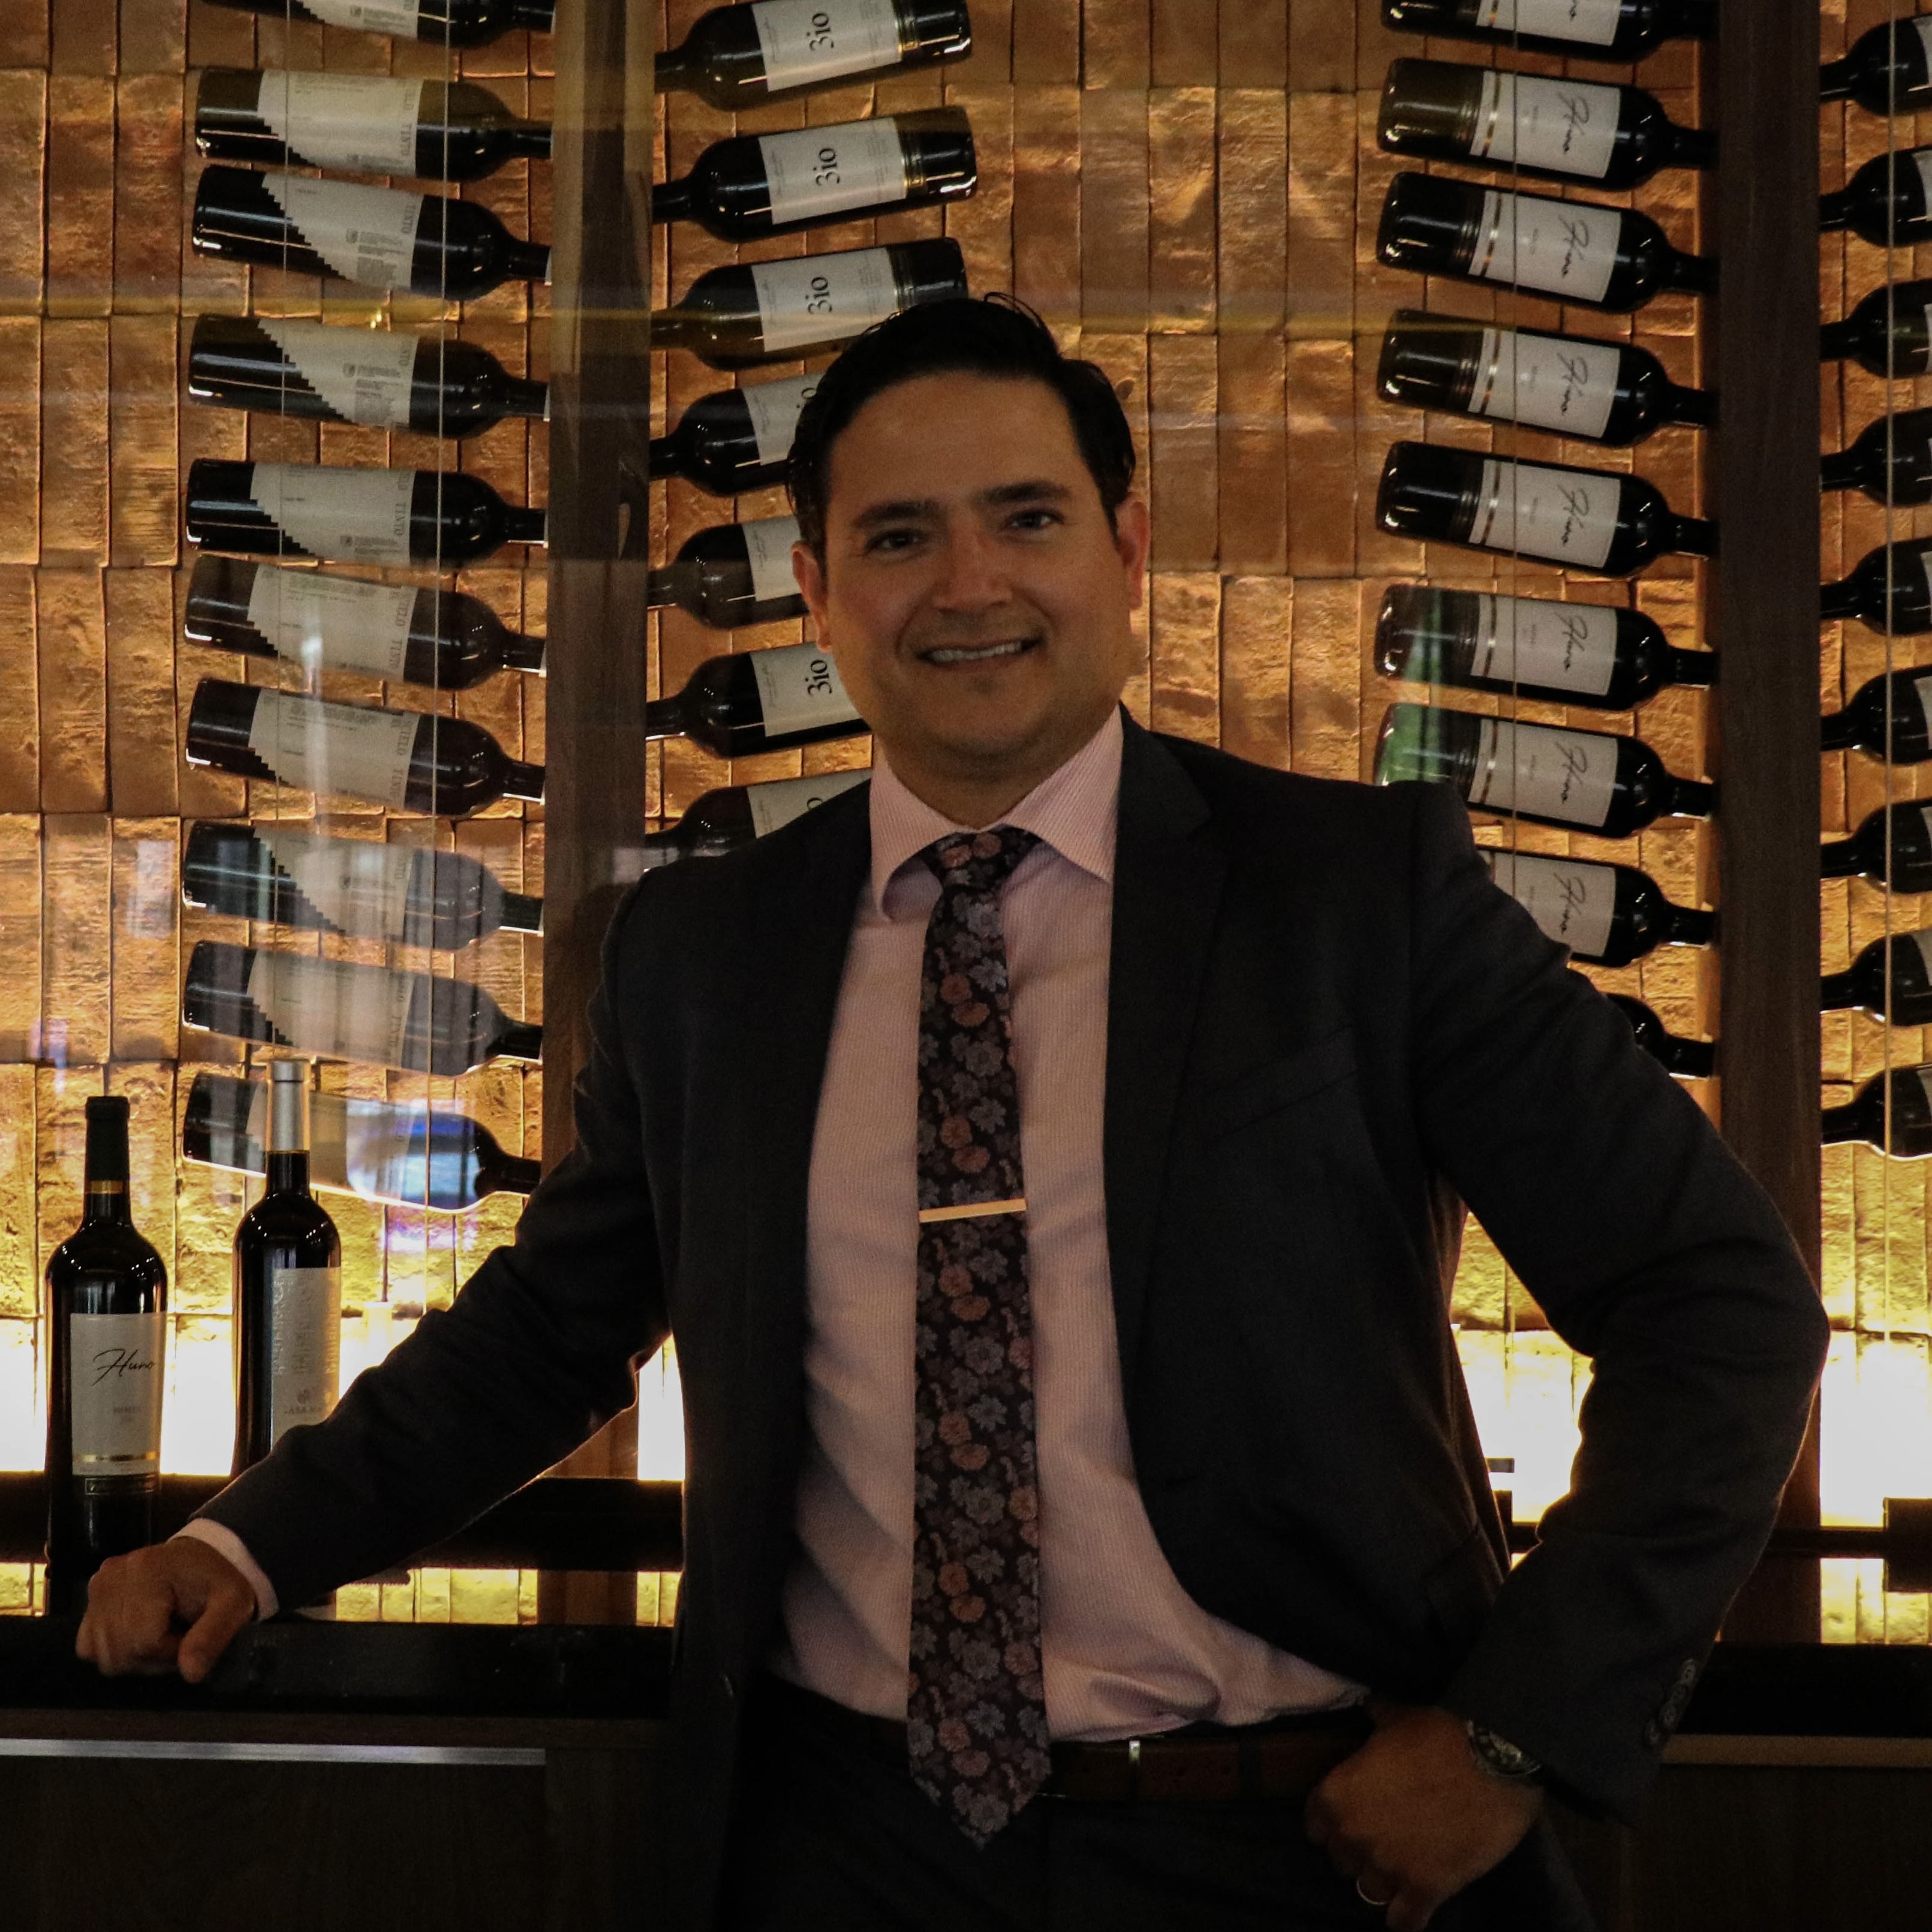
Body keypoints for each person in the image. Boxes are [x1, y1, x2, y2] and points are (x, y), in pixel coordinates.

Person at [77, 297, 1825, 1932]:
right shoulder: (704, 950)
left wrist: (1514, 1735)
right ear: (819, 591)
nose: (968, 584)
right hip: (845, 1844)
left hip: (1297, 1845)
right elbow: (554, 1325)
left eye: (1029, 519)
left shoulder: (1358, 896)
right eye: (900, 537)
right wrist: (252, 1534)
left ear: (1130, 553)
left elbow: (1719, 1307)